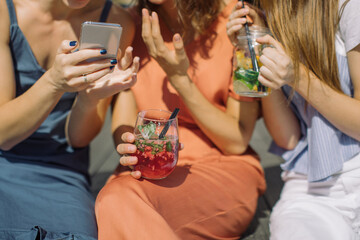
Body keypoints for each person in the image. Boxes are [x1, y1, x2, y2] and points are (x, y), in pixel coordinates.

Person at [92, 0, 266, 239]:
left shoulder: (241, 21)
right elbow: (124, 116)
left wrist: (179, 79)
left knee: (118, 203)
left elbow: (237, 140)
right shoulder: (130, 24)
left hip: (221, 171)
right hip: (146, 173)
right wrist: (129, 142)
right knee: (115, 200)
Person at [0, 0, 138, 239]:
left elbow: (77, 140)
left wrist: (89, 99)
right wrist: (53, 82)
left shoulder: (116, 20)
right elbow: (3, 135)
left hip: (63, 170)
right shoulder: (5, 10)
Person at [227, 0, 360, 239]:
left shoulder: (349, 7)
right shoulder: (266, 15)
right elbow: (287, 138)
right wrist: (256, 48)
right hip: (311, 189)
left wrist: (297, 76)